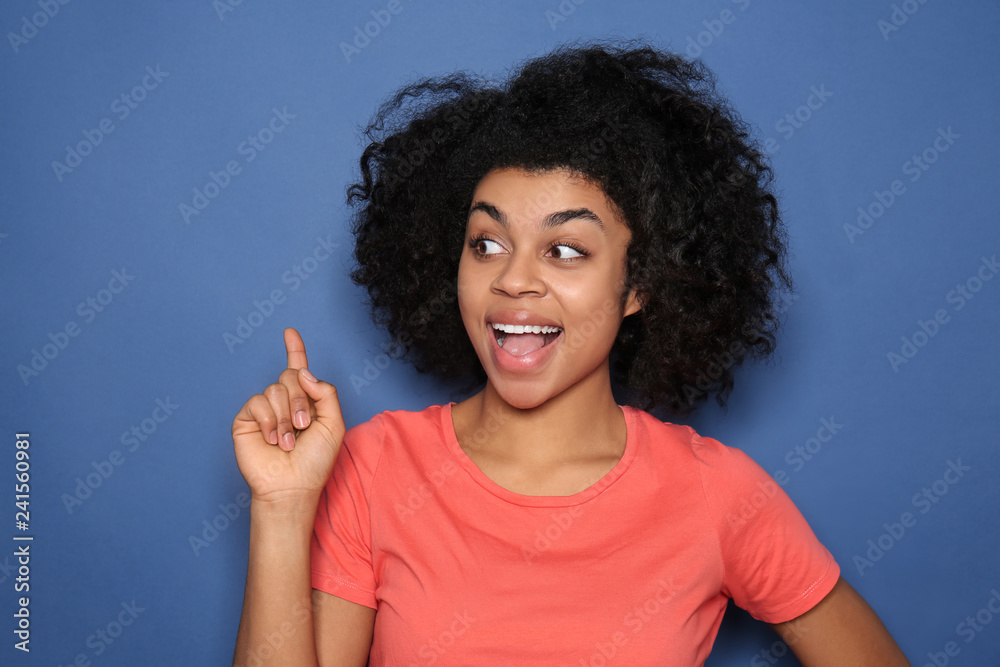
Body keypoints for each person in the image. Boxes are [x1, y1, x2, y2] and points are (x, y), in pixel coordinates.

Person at [232, 40, 910, 665]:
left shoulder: (716, 494)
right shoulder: (374, 470)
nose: (514, 278)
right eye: (487, 243)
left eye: (565, 250)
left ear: (639, 283)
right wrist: (283, 507)